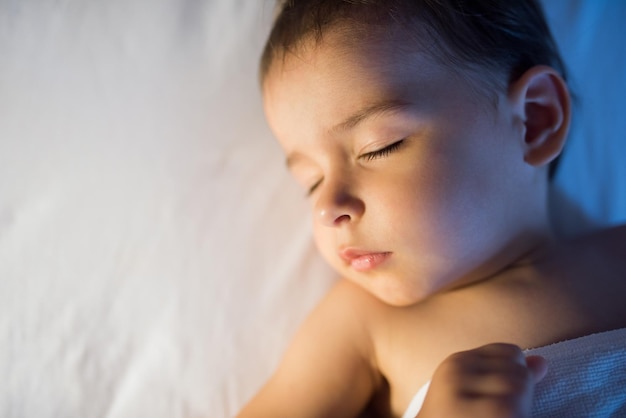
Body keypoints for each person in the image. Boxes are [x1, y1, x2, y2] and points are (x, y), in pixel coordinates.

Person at [238, 0, 626, 417]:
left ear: (533, 120)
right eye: (310, 182)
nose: (327, 207)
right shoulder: (362, 323)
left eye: (379, 147)